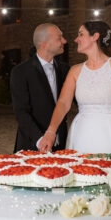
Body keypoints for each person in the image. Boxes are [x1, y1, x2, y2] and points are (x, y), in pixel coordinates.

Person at [38, 21, 111, 154]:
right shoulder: (75, 71)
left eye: (81, 34)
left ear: (95, 36)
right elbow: (63, 103)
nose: (76, 39)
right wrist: (50, 131)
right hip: (81, 135)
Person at [10, 23, 70, 152]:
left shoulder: (66, 70)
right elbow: (21, 112)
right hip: (31, 145)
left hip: (61, 144)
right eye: (59, 38)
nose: (64, 41)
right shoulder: (20, 72)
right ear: (44, 44)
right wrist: (40, 140)